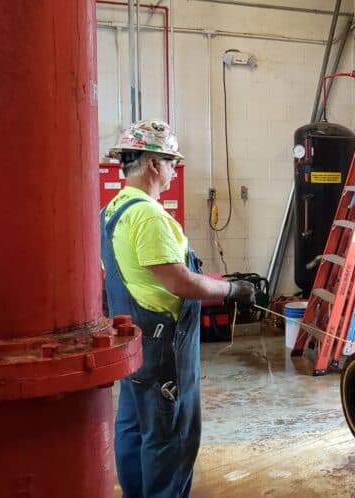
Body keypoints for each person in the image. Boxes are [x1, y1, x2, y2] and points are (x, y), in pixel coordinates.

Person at [101, 119, 255, 498]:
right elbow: (180, 282)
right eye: (172, 161)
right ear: (154, 163)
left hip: (132, 339)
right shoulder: (150, 216)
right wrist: (232, 288)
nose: (174, 170)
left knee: (135, 426)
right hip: (163, 347)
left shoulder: (114, 208)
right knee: (173, 437)